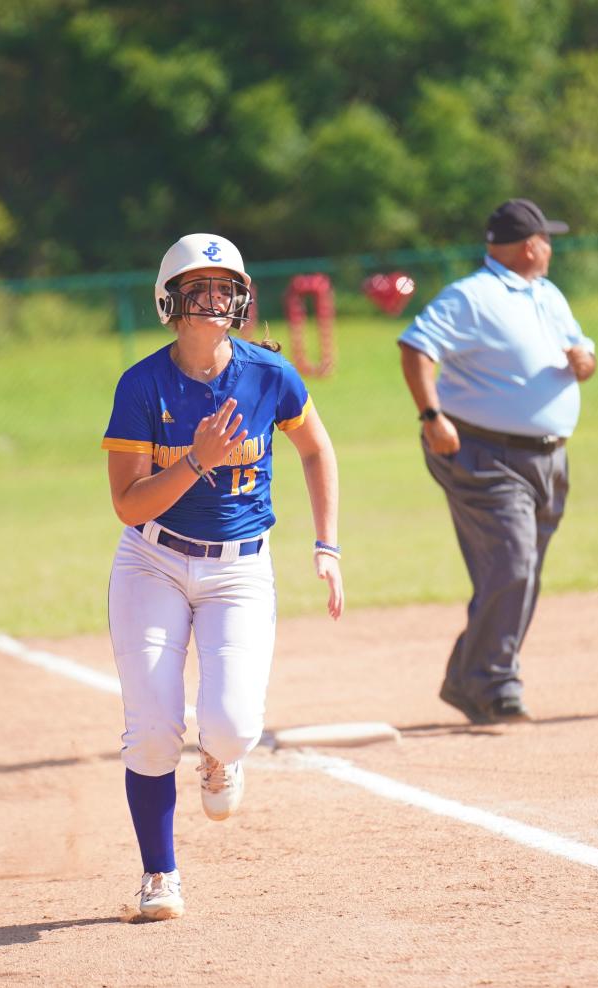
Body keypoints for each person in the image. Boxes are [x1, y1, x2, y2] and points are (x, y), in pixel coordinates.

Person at [101, 233, 344, 920]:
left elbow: (317, 448)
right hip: (153, 559)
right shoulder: (143, 384)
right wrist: (198, 462)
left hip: (240, 570)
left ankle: (219, 757)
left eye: (225, 287)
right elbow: (128, 504)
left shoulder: (270, 374)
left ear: (241, 300)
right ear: (169, 303)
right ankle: (159, 876)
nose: (213, 300)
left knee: (232, 726)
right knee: (151, 729)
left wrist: (328, 545)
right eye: (197, 288)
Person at [398, 199, 597, 725]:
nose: (551, 247)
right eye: (547, 240)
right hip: (482, 452)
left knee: (521, 572)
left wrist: (585, 361)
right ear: (532, 246)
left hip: (549, 457)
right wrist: (430, 414)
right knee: (513, 562)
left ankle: (473, 676)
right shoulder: (471, 296)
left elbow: (582, 351)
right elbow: (416, 348)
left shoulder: (547, 295)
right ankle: (491, 684)